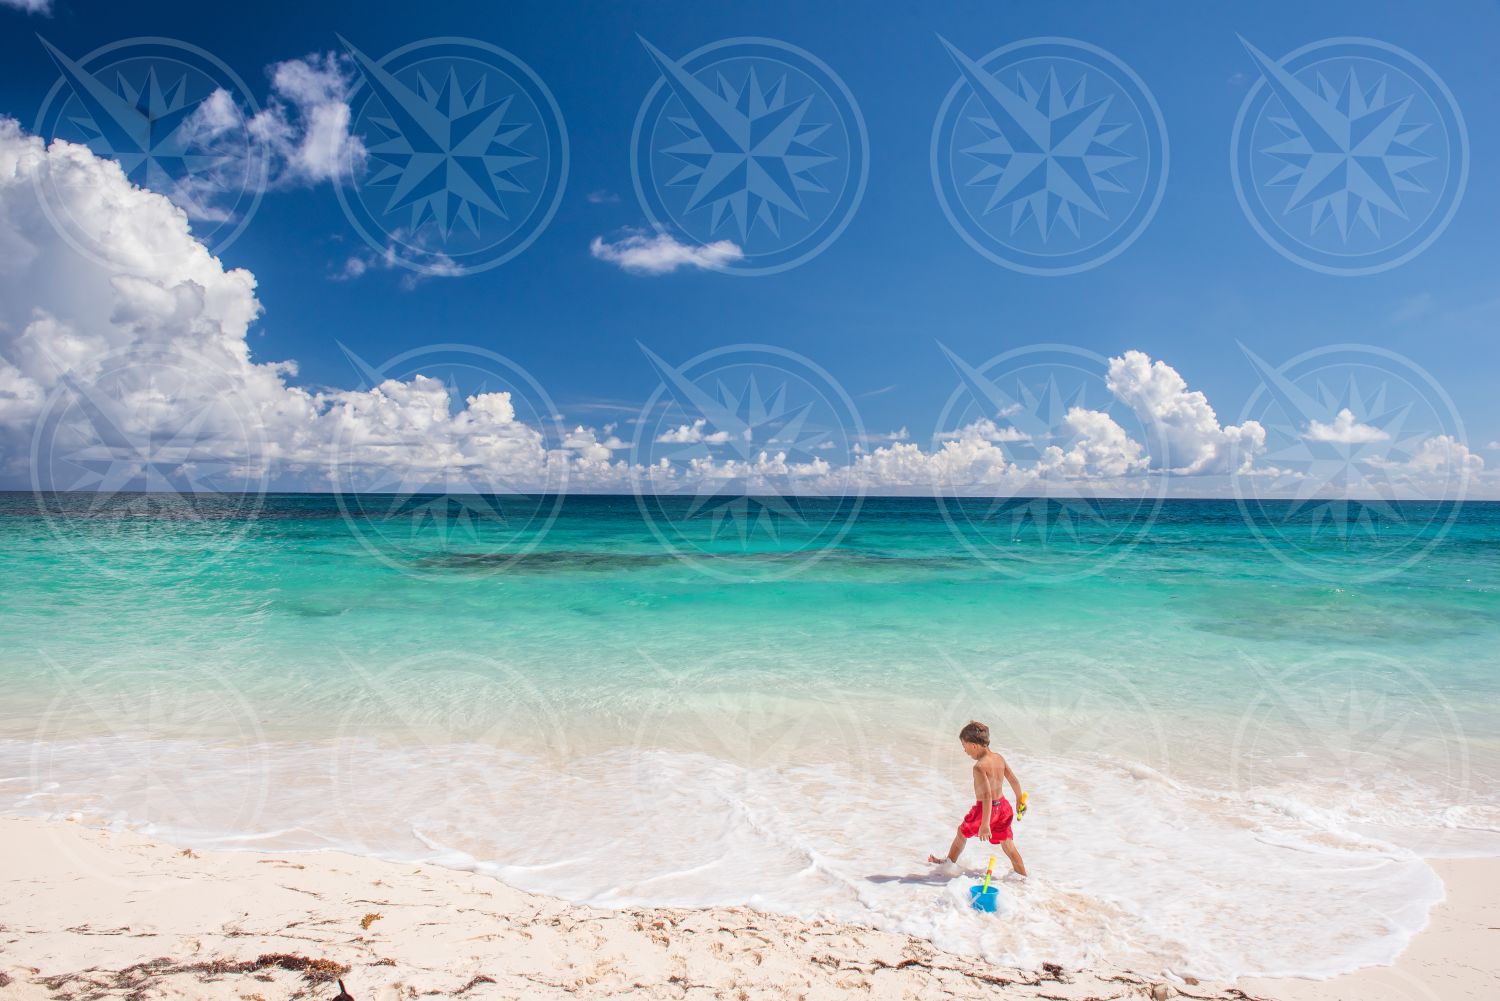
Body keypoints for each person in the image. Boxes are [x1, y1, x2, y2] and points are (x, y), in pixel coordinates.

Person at [928, 720, 1027, 876]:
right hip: (1003, 807)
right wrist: (1020, 799)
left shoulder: (979, 766)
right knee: (1008, 844)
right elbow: (1014, 779)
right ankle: (1023, 876)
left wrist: (985, 824)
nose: (965, 751)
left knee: (962, 832)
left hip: (986, 811)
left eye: (964, 746)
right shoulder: (999, 758)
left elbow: (987, 796)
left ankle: (947, 864)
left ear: (974, 745)